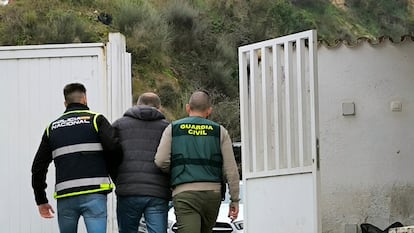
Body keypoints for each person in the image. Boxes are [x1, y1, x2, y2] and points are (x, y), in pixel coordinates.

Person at [31, 83, 121, 233]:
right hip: (95, 193)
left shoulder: (52, 128)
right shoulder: (96, 120)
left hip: (66, 197)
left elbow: (38, 167)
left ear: (65, 103)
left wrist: (41, 200)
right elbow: (114, 149)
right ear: (84, 99)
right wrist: (117, 178)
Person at [155, 90, 240, 233]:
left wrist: (178, 170)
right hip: (212, 194)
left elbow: (160, 161)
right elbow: (231, 169)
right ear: (209, 111)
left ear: (188, 107)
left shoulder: (174, 128)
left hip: (185, 193)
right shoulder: (220, 131)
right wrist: (235, 199)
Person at [112, 92, 171, 233]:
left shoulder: (119, 125)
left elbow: (110, 156)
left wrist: (119, 179)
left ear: (137, 105)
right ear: (160, 108)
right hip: (157, 192)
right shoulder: (168, 128)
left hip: (128, 190)